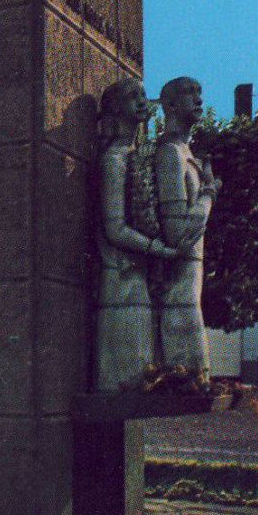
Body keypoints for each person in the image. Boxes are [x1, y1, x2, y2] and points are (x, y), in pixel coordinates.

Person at [94, 78, 182, 393]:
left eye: (144, 94)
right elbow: (114, 229)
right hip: (121, 280)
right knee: (123, 381)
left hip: (138, 278)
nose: (143, 101)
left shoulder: (139, 155)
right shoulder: (115, 159)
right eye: (134, 97)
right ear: (116, 109)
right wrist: (157, 247)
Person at [154, 76, 219, 372]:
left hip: (190, 280)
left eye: (199, 91)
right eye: (189, 92)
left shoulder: (185, 153)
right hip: (179, 288)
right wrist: (208, 193)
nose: (198, 99)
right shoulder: (170, 153)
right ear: (169, 104)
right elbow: (179, 232)